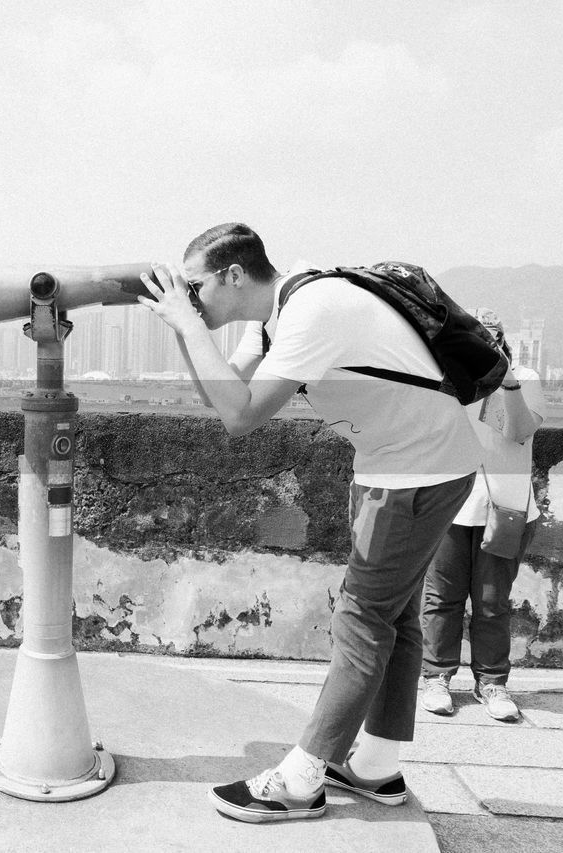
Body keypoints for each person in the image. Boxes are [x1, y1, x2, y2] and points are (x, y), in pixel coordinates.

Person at [140, 223, 481, 823]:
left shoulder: (312, 309)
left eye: (195, 289)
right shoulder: (274, 316)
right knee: (394, 616)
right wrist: (184, 327)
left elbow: (243, 417)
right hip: (407, 464)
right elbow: (226, 396)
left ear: (233, 275)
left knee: (362, 615)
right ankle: (375, 765)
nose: (191, 301)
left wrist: (189, 325)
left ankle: (301, 781)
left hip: (415, 472)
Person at [420, 310, 544, 721]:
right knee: (442, 597)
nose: (481, 345)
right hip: (450, 503)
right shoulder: (447, 379)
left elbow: (519, 431)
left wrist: (505, 381)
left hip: (506, 508)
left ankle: (492, 683)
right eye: (472, 337)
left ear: (503, 340)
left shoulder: (525, 377)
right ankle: (437, 676)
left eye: (488, 338)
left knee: (492, 602)